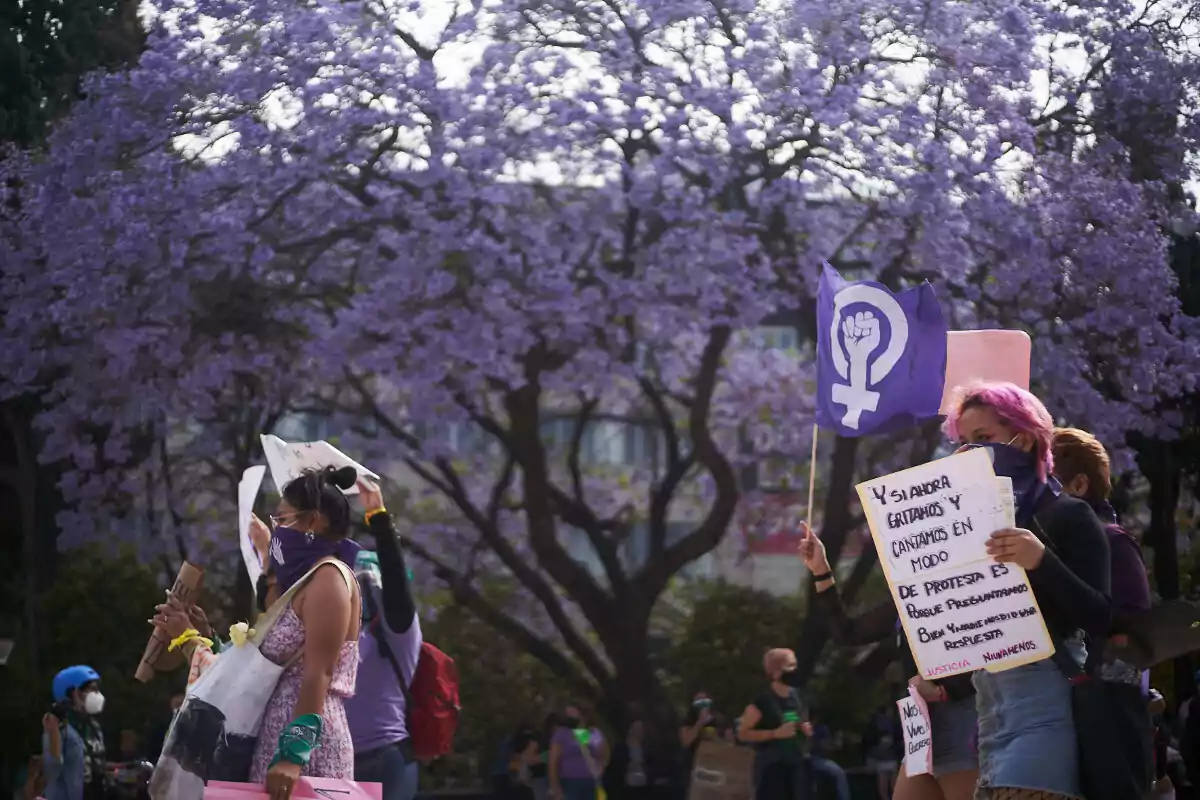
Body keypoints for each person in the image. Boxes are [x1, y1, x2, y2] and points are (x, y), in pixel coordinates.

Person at [945, 381, 1111, 800]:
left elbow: (1100, 617)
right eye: (964, 443)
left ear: (1026, 438)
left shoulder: (1070, 516)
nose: (971, 454)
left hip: (1045, 708)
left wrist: (1042, 561)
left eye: (984, 440)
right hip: (988, 715)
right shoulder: (967, 532)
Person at [157, 466, 363, 799]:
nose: (277, 529)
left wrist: (294, 754)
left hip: (308, 752)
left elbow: (319, 673)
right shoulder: (304, 581)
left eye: (282, 520)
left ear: (313, 521)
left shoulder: (330, 578)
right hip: (271, 740)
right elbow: (265, 629)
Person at [799, 522, 978, 800]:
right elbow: (847, 632)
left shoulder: (977, 587)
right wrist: (821, 571)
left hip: (965, 724)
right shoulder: (907, 598)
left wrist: (947, 690)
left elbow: (997, 653)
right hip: (922, 732)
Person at [1053, 427, 1154, 795]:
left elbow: (1130, 627)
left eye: (1048, 485)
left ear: (1079, 485)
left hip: (1104, 712)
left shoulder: (1111, 540)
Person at [344, 478, 423, 800]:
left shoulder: (398, 631)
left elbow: (394, 578)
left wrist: (377, 515)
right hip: (338, 761)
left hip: (386, 760)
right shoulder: (341, 631)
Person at [736, 648, 812, 800]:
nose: (796, 670)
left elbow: (802, 721)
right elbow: (742, 733)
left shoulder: (798, 696)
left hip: (797, 764)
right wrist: (775, 733)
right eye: (791, 666)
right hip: (771, 769)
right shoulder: (762, 701)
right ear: (776, 672)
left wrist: (805, 728)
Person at [42, 665, 107, 800]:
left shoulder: (94, 727)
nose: (97, 695)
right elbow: (53, 767)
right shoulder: (59, 727)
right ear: (74, 693)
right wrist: (53, 732)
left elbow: (95, 762)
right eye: (92, 690)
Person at [548, 703, 608, 800]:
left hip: (591, 782)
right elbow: (553, 762)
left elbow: (603, 755)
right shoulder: (562, 734)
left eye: (573, 712)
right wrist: (555, 787)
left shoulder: (594, 733)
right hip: (569, 783)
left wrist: (600, 767)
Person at [807, 714, 850, 800]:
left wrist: (836, 743)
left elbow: (829, 746)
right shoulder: (805, 729)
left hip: (821, 758)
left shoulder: (822, 728)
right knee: (839, 773)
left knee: (839, 773)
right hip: (810, 758)